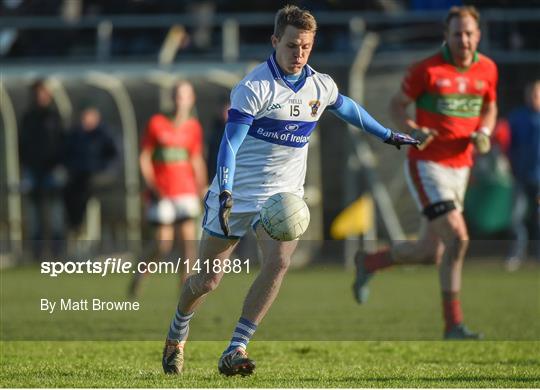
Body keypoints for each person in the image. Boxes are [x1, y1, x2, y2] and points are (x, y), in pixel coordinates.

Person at [161, 4, 418, 376]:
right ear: (275, 41)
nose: (299, 54)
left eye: (306, 47)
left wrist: (387, 135)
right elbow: (229, 145)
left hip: (282, 198)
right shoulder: (254, 87)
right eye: (292, 46)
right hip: (234, 194)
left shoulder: (320, 85)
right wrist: (226, 192)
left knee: (279, 262)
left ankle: (236, 348)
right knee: (207, 280)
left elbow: (347, 108)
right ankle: (177, 333)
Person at [353, 6, 498, 340]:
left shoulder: (488, 69)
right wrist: (413, 129)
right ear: (446, 35)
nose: (463, 39)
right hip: (427, 165)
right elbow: (395, 106)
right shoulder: (427, 70)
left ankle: (370, 263)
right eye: (457, 33)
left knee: (430, 253)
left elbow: (490, 106)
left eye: (469, 33)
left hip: (461, 168)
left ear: (478, 35)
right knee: (458, 238)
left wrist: (485, 132)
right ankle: (453, 325)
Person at [129, 81, 208, 297]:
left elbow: (195, 159)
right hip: (162, 193)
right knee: (162, 244)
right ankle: (139, 274)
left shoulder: (193, 127)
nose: (179, 100)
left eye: (184, 96)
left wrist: (202, 187)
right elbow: (144, 157)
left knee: (188, 246)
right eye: (176, 95)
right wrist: (151, 184)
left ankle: (185, 294)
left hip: (186, 192)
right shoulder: (156, 123)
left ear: (191, 100)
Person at [19, 79, 66, 258]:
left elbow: (62, 143)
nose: (40, 97)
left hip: (52, 170)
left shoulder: (55, 117)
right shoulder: (28, 117)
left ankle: (57, 254)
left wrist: (59, 166)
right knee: (34, 215)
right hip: (33, 170)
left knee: (55, 213)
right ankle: (36, 254)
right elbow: (21, 145)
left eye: (43, 93)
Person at [62, 106, 118, 236]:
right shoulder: (75, 135)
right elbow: (66, 155)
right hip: (78, 177)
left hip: (98, 177)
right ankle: (75, 225)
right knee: (70, 192)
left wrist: (103, 170)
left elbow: (114, 157)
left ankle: (80, 226)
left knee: (84, 190)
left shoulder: (105, 135)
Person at [505, 80, 540, 270]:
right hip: (521, 178)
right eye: (531, 94)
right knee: (516, 218)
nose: (533, 97)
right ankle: (516, 255)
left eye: (537, 93)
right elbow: (509, 145)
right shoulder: (517, 117)